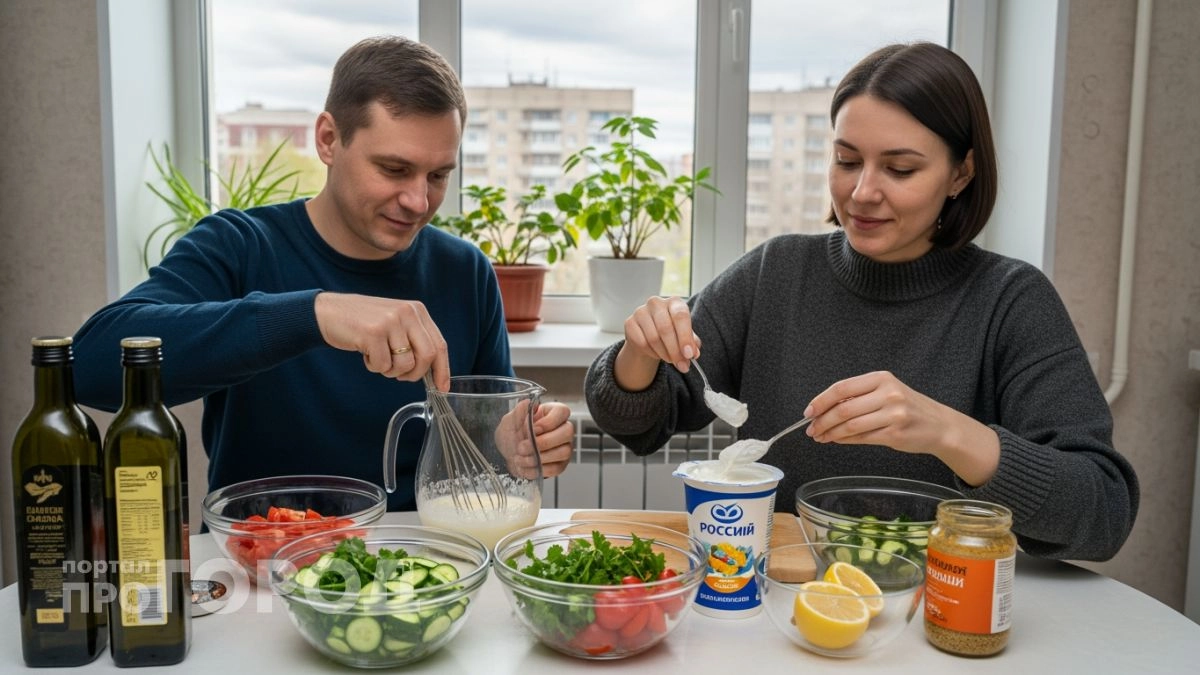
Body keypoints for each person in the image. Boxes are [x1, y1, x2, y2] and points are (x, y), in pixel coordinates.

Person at [584, 42, 1138, 562]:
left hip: (942, 611)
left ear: (961, 173)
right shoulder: (777, 272)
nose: (862, 192)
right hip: (788, 601)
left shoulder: (1011, 301)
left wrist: (948, 432)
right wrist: (640, 353)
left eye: (900, 169)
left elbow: (1104, 514)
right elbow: (636, 419)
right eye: (847, 160)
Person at [73, 35, 574, 511]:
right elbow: (89, 366)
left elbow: (478, 454)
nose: (419, 201)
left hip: (418, 563)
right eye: (394, 169)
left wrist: (514, 446)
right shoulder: (240, 245)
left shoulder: (465, 271)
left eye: (438, 175)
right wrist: (316, 313)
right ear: (329, 140)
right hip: (262, 560)